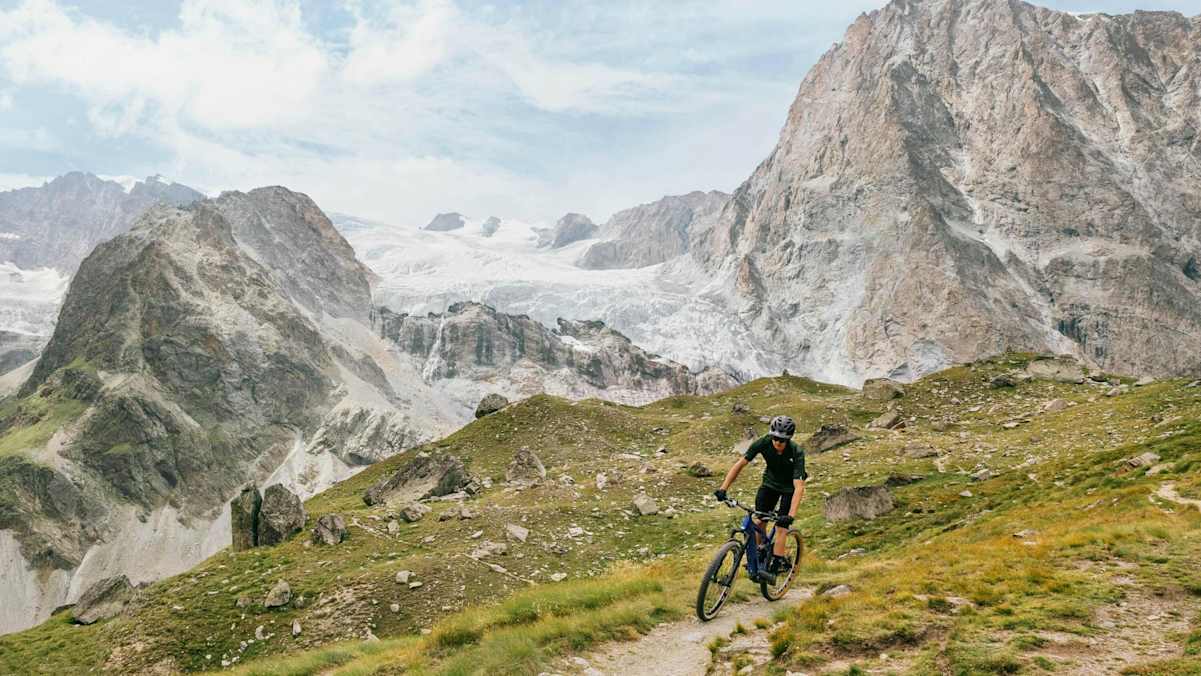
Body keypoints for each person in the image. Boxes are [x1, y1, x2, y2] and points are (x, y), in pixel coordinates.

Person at [713, 415, 807, 575]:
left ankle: (777, 564)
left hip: (788, 489)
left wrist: (790, 515)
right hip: (769, 484)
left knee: (781, 528)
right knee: (758, 520)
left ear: (789, 439)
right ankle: (758, 554)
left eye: (782, 440)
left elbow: (799, 487)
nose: (778, 442)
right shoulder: (763, 442)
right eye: (775, 438)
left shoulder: (796, 452)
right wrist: (723, 488)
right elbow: (740, 464)